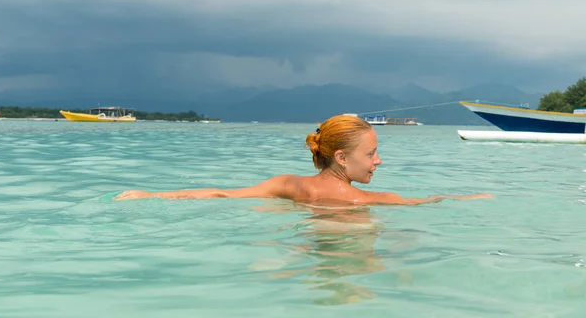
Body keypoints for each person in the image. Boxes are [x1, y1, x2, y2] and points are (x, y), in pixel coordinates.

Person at [114, 114, 493, 205]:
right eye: (372, 153)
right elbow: (425, 202)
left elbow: (220, 195)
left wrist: (150, 195)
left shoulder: (288, 185)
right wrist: (473, 198)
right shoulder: (364, 201)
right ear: (342, 157)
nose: (378, 161)